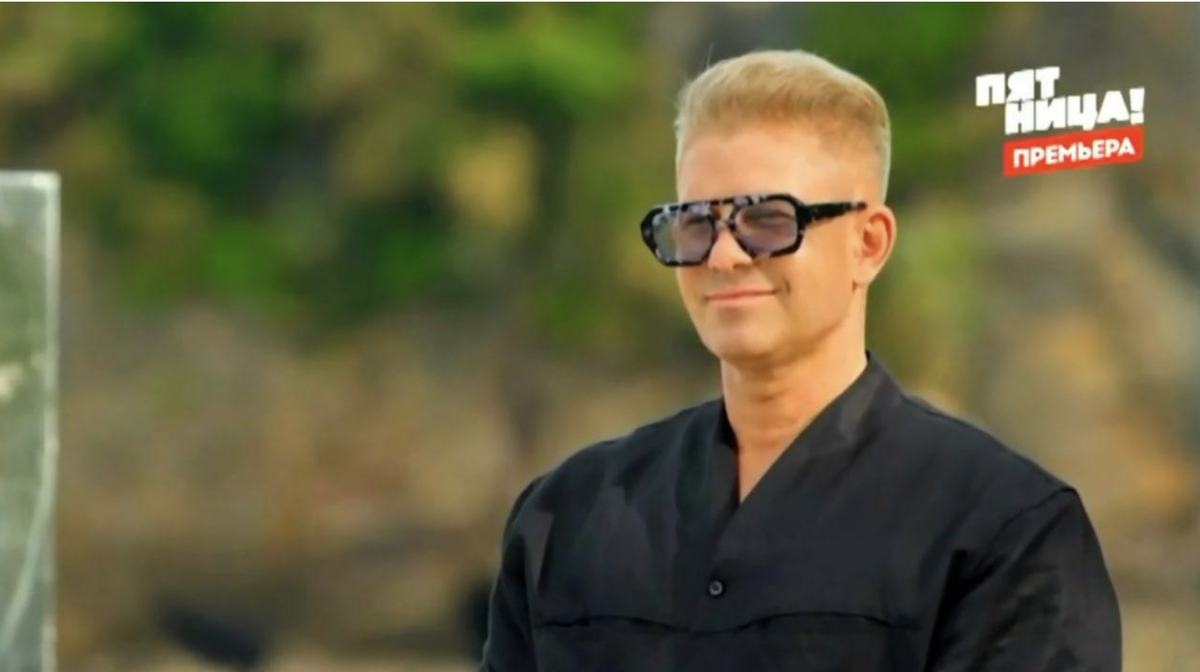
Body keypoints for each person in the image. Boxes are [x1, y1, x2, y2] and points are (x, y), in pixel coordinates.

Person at [478, 49, 1122, 672]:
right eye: (695, 223)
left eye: (767, 220)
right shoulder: (569, 517)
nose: (724, 256)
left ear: (868, 243)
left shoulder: (1001, 531)